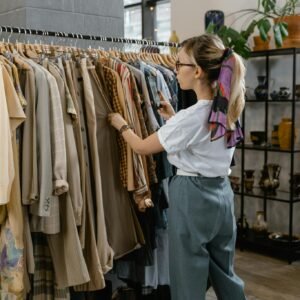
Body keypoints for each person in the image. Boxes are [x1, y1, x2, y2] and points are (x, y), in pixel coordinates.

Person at [108, 34, 246, 300]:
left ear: (197, 71)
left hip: (192, 195)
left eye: (179, 64)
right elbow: (200, 137)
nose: (174, 70)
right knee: (224, 270)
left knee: (187, 271)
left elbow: (141, 147)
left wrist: (119, 123)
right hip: (222, 194)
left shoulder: (192, 117)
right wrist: (174, 116)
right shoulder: (226, 108)